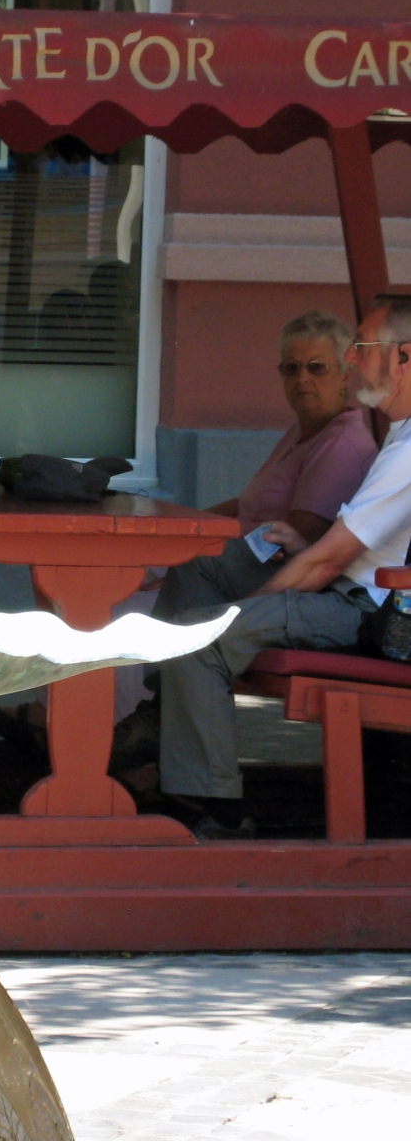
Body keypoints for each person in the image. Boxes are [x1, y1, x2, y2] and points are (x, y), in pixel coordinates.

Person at [157, 295, 411, 840]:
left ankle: (214, 810)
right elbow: (343, 546)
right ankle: (167, 724)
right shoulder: (399, 435)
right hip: (348, 590)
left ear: (404, 357)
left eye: (362, 349)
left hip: (368, 615)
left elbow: (328, 561)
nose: (351, 362)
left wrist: (244, 613)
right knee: (198, 570)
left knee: (200, 639)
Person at [154, 310, 377, 621]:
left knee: (195, 562)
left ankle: (169, 662)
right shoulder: (303, 430)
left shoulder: (343, 445)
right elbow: (247, 505)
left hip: (284, 578)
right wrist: (185, 525)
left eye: (317, 368)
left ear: (344, 374)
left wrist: (198, 542)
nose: (302, 378)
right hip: (244, 563)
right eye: (291, 368)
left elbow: (299, 539)